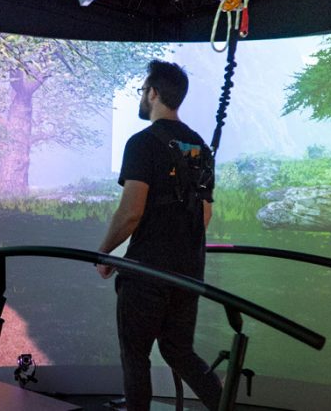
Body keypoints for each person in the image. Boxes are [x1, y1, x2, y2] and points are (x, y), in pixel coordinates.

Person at [97, 60, 223, 410]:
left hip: (147, 270)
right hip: (188, 271)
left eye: (142, 90)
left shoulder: (142, 143)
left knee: (135, 352)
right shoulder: (200, 147)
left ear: (153, 93)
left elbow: (131, 211)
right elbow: (205, 213)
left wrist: (105, 252)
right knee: (178, 349)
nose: (141, 96)